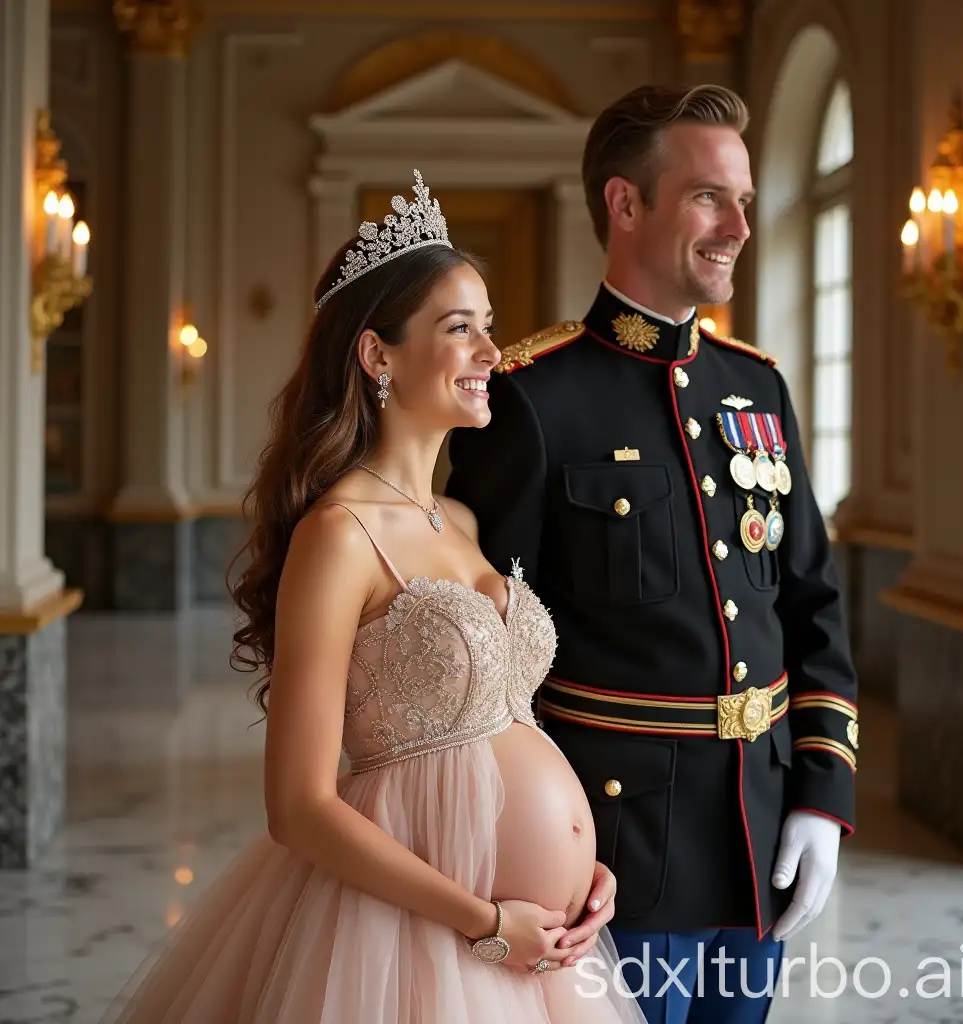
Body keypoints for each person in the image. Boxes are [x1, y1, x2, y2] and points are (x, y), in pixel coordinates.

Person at [100, 170, 646, 1024]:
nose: (490, 355)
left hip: (550, 942)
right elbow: (299, 807)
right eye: (459, 329)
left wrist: (583, 873)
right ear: (377, 353)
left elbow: (511, 722)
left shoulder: (460, 518)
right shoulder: (339, 534)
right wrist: (487, 921)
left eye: (488, 328)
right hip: (416, 941)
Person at [445, 85, 859, 1023]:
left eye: (746, 200)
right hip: (608, 859)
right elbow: (488, 663)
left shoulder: (758, 390)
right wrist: (531, 846)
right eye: (712, 197)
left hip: (758, 835)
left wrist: (820, 797)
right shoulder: (531, 396)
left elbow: (814, 607)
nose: (741, 226)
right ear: (625, 204)